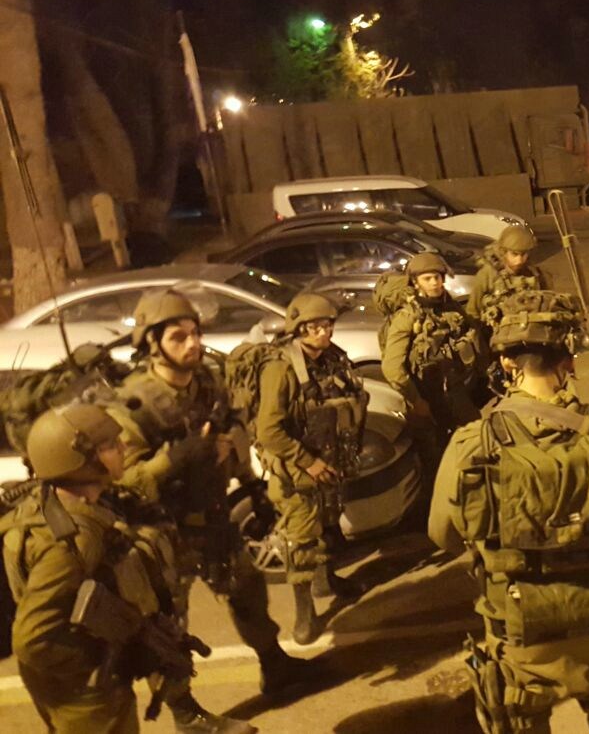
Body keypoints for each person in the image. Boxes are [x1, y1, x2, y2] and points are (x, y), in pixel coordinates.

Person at [428, 290, 589, 734]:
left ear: (507, 363)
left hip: (524, 633)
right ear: (569, 362)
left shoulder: (473, 443)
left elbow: (442, 534)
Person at [109, 289, 308, 732]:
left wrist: (251, 482)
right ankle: (187, 714)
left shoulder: (207, 382)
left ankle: (274, 664)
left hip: (213, 517)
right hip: (163, 532)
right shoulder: (132, 405)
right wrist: (175, 459)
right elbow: (123, 483)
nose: (193, 343)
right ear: (151, 343)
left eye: (195, 333)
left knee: (247, 588)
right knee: (167, 626)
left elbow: (229, 428)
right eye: (178, 337)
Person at [2, 403, 160, 733]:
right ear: (79, 462)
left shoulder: (54, 502)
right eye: (109, 446)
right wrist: (106, 657)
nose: (123, 448)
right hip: (81, 688)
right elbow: (32, 640)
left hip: (63, 679)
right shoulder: (72, 540)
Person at [255, 293, 368, 644]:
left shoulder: (331, 358)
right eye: (315, 327)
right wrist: (308, 462)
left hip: (329, 458)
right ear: (299, 329)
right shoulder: (281, 369)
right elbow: (269, 431)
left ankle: (326, 582)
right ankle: (304, 615)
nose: (323, 332)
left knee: (328, 523)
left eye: (327, 325)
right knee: (302, 539)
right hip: (297, 470)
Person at [381, 252, 484, 465]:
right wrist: (416, 400)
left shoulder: (448, 305)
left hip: (454, 389)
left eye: (437, 277)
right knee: (433, 455)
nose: (435, 282)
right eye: (427, 278)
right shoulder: (408, 317)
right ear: (415, 282)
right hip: (426, 395)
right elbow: (392, 368)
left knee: (477, 436)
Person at [466, 224, 552, 331]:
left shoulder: (535, 274)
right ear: (503, 252)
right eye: (514, 254)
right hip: (497, 335)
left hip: (530, 333)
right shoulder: (488, 274)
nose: (519, 260)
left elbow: (549, 305)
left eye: (523, 254)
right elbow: (472, 312)